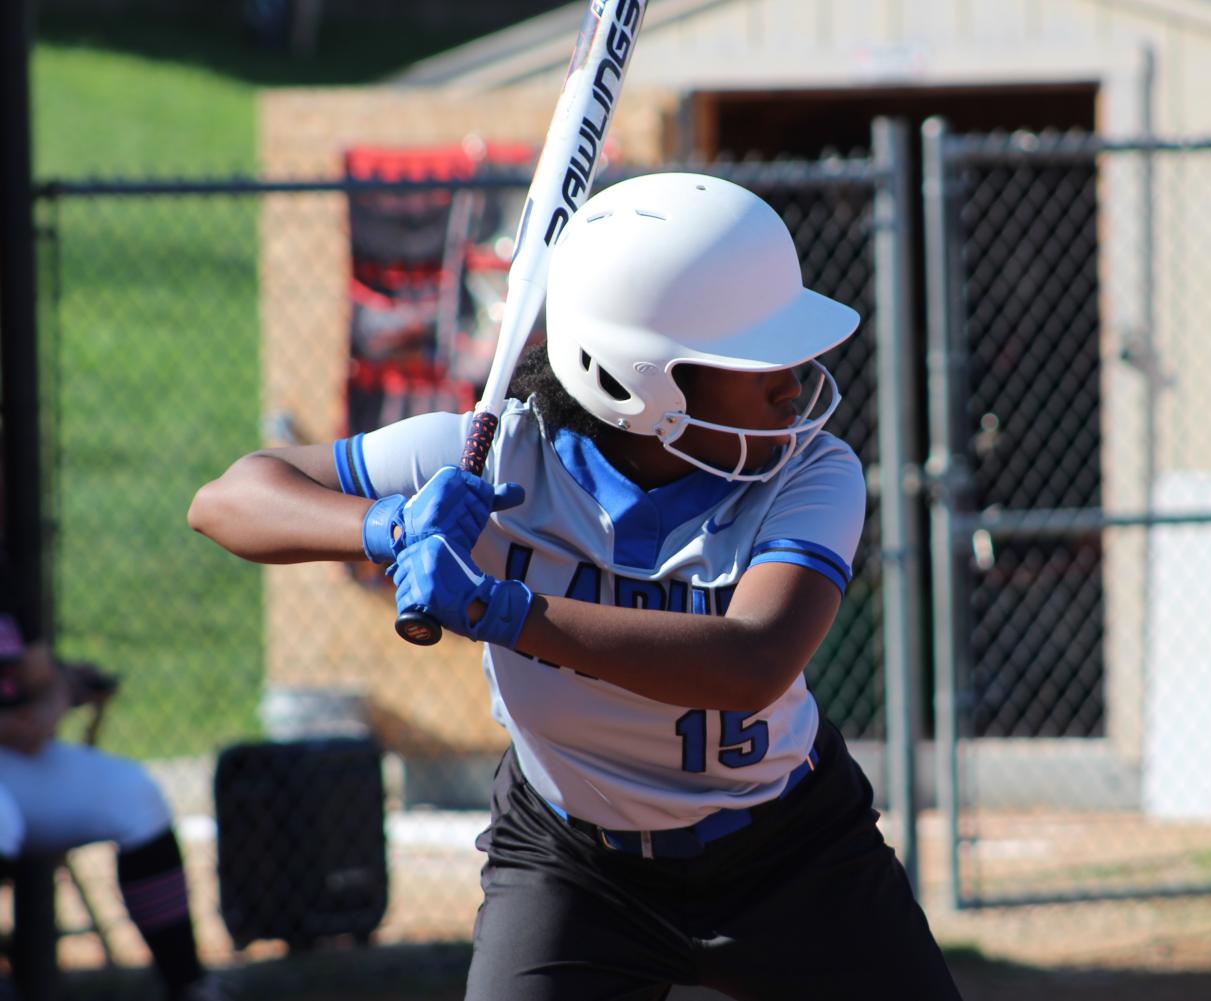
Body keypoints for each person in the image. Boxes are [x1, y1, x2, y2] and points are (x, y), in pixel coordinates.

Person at [188, 172, 961, 1000]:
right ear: (639, 380)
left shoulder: (808, 470)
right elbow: (227, 499)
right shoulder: (493, 454)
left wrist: (498, 608)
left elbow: (752, 661)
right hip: (573, 861)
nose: (792, 380)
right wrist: (386, 526)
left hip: (789, 851)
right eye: (754, 359)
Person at [0, 560, 227, 1001]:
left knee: (132, 794)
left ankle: (187, 984)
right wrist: (30, 714)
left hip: (14, 759)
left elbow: (40, 677)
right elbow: (26, 718)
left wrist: (56, 694)